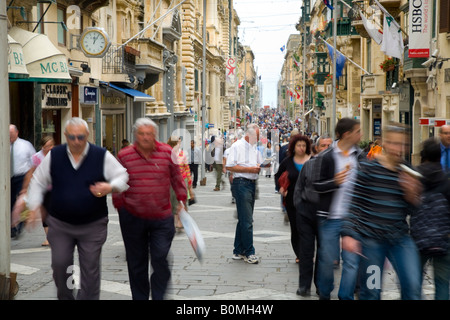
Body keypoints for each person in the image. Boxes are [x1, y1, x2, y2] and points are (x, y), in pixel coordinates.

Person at [26, 117, 129, 300]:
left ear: (87, 135)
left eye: (80, 137)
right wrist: (33, 206)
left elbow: (122, 176)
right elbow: (38, 181)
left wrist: (109, 187)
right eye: (72, 137)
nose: (76, 142)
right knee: (60, 265)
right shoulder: (55, 155)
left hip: (93, 224)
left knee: (90, 269)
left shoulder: (100, 155)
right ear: (65, 136)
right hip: (60, 223)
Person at [341, 122, 423, 300]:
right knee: (371, 291)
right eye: (393, 143)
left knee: (413, 286)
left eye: (402, 144)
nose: (398, 149)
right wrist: (348, 234)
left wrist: (412, 195)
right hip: (371, 243)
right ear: (384, 143)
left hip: (400, 239)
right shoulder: (368, 169)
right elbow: (355, 203)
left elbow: (415, 210)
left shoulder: (408, 171)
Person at [112, 118, 187, 300]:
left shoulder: (167, 152)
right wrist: (121, 206)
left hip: (161, 217)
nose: (145, 137)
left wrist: (182, 201)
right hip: (132, 217)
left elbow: (177, 179)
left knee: (160, 257)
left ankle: (159, 296)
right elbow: (117, 183)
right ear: (135, 135)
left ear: (155, 135)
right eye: (142, 134)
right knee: (136, 263)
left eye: (149, 134)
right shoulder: (124, 155)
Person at [313, 117, 363, 300]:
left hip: (353, 219)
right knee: (326, 261)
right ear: (347, 134)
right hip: (329, 218)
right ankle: (325, 293)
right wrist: (335, 182)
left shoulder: (360, 156)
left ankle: (345, 296)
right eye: (358, 131)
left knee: (351, 262)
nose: (361, 135)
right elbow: (316, 185)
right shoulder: (326, 156)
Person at [293, 134, 332, 296]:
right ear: (317, 148)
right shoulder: (309, 165)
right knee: (306, 252)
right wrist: (300, 207)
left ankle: (320, 285)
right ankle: (304, 286)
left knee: (324, 254)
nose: (326, 149)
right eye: (323, 146)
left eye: (329, 146)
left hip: (327, 216)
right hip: (307, 213)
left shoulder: (337, 168)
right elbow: (299, 188)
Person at [412, 138, 450, 300]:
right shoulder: (446, 179)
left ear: (423, 155)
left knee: (414, 281)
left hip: (418, 237)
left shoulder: (414, 176)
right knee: (442, 282)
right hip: (443, 238)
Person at [226, 123, 268, 264]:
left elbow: (257, 163)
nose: (258, 139)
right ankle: (250, 252)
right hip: (241, 184)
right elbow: (229, 166)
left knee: (244, 219)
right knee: (248, 221)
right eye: (256, 136)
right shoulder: (237, 146)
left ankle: (238, 250)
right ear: (248, 135)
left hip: (251, 184)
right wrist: (250, 169)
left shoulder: (253, 147)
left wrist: (264, 164)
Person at [275, 135, 311, 263]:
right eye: (298, 145)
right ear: (293, 147)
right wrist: (280, 188)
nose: (301, 148)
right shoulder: (288, 161)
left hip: (310, 201)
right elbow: (278, 175)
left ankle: (307, 252)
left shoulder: (312, 160)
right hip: (292, 201)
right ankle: (299, 254)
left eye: (303, 146)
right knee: (295, 228)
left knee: (307, 229)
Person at [20, 136, 55, 246]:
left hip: (56, 188)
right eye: (46, 146)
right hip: (43, 189)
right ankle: (49, 238)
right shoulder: (36, 157)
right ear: (42, 146)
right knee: (46, 213)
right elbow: (30, 173)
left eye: (51, 145)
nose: (49, 148)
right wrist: (25, 189)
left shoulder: (57, 155)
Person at [10, 124, 36, 238]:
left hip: (22, 176)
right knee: (9, 202)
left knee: (20, 202)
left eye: (11, 133)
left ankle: (19, 226)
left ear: (17, 132)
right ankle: (11, 225)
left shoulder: (26, 145)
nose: (10, 136)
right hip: (8, 177)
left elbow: (33, 162)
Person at [167, 136, 193, 231]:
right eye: (178, 142)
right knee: (172, 201)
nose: (179, 144)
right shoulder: (168, 154)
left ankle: (180, 221)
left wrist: (189, 182)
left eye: (180, 142)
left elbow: (187, 168)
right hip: (171, 181)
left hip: (183, 180)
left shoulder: (182, 154)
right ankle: (174, 221)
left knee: (182, 201)